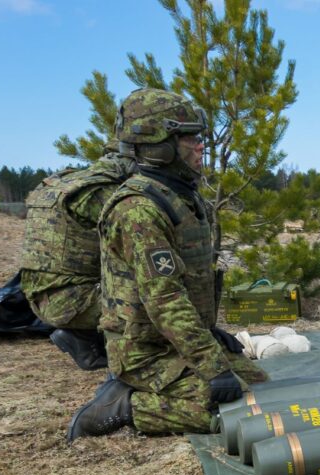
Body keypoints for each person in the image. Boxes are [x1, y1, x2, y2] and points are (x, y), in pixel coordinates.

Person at [67, 88, 268, 441]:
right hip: (145, 352)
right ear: (158, 145)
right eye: (189, 138)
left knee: (261, 387)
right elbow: (165, 299)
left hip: (174, 343)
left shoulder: (182, 197)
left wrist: (209, 333)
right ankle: (125, 405)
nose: (200, 146)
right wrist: (211, 365)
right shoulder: (138, 210)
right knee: (236, 411)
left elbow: (189, 281)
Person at [19, 141, 136, 370]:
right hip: (71, 302)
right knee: (157, 298)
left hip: (37, 296)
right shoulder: (104, 193)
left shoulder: (64, 181)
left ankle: (83, 337)